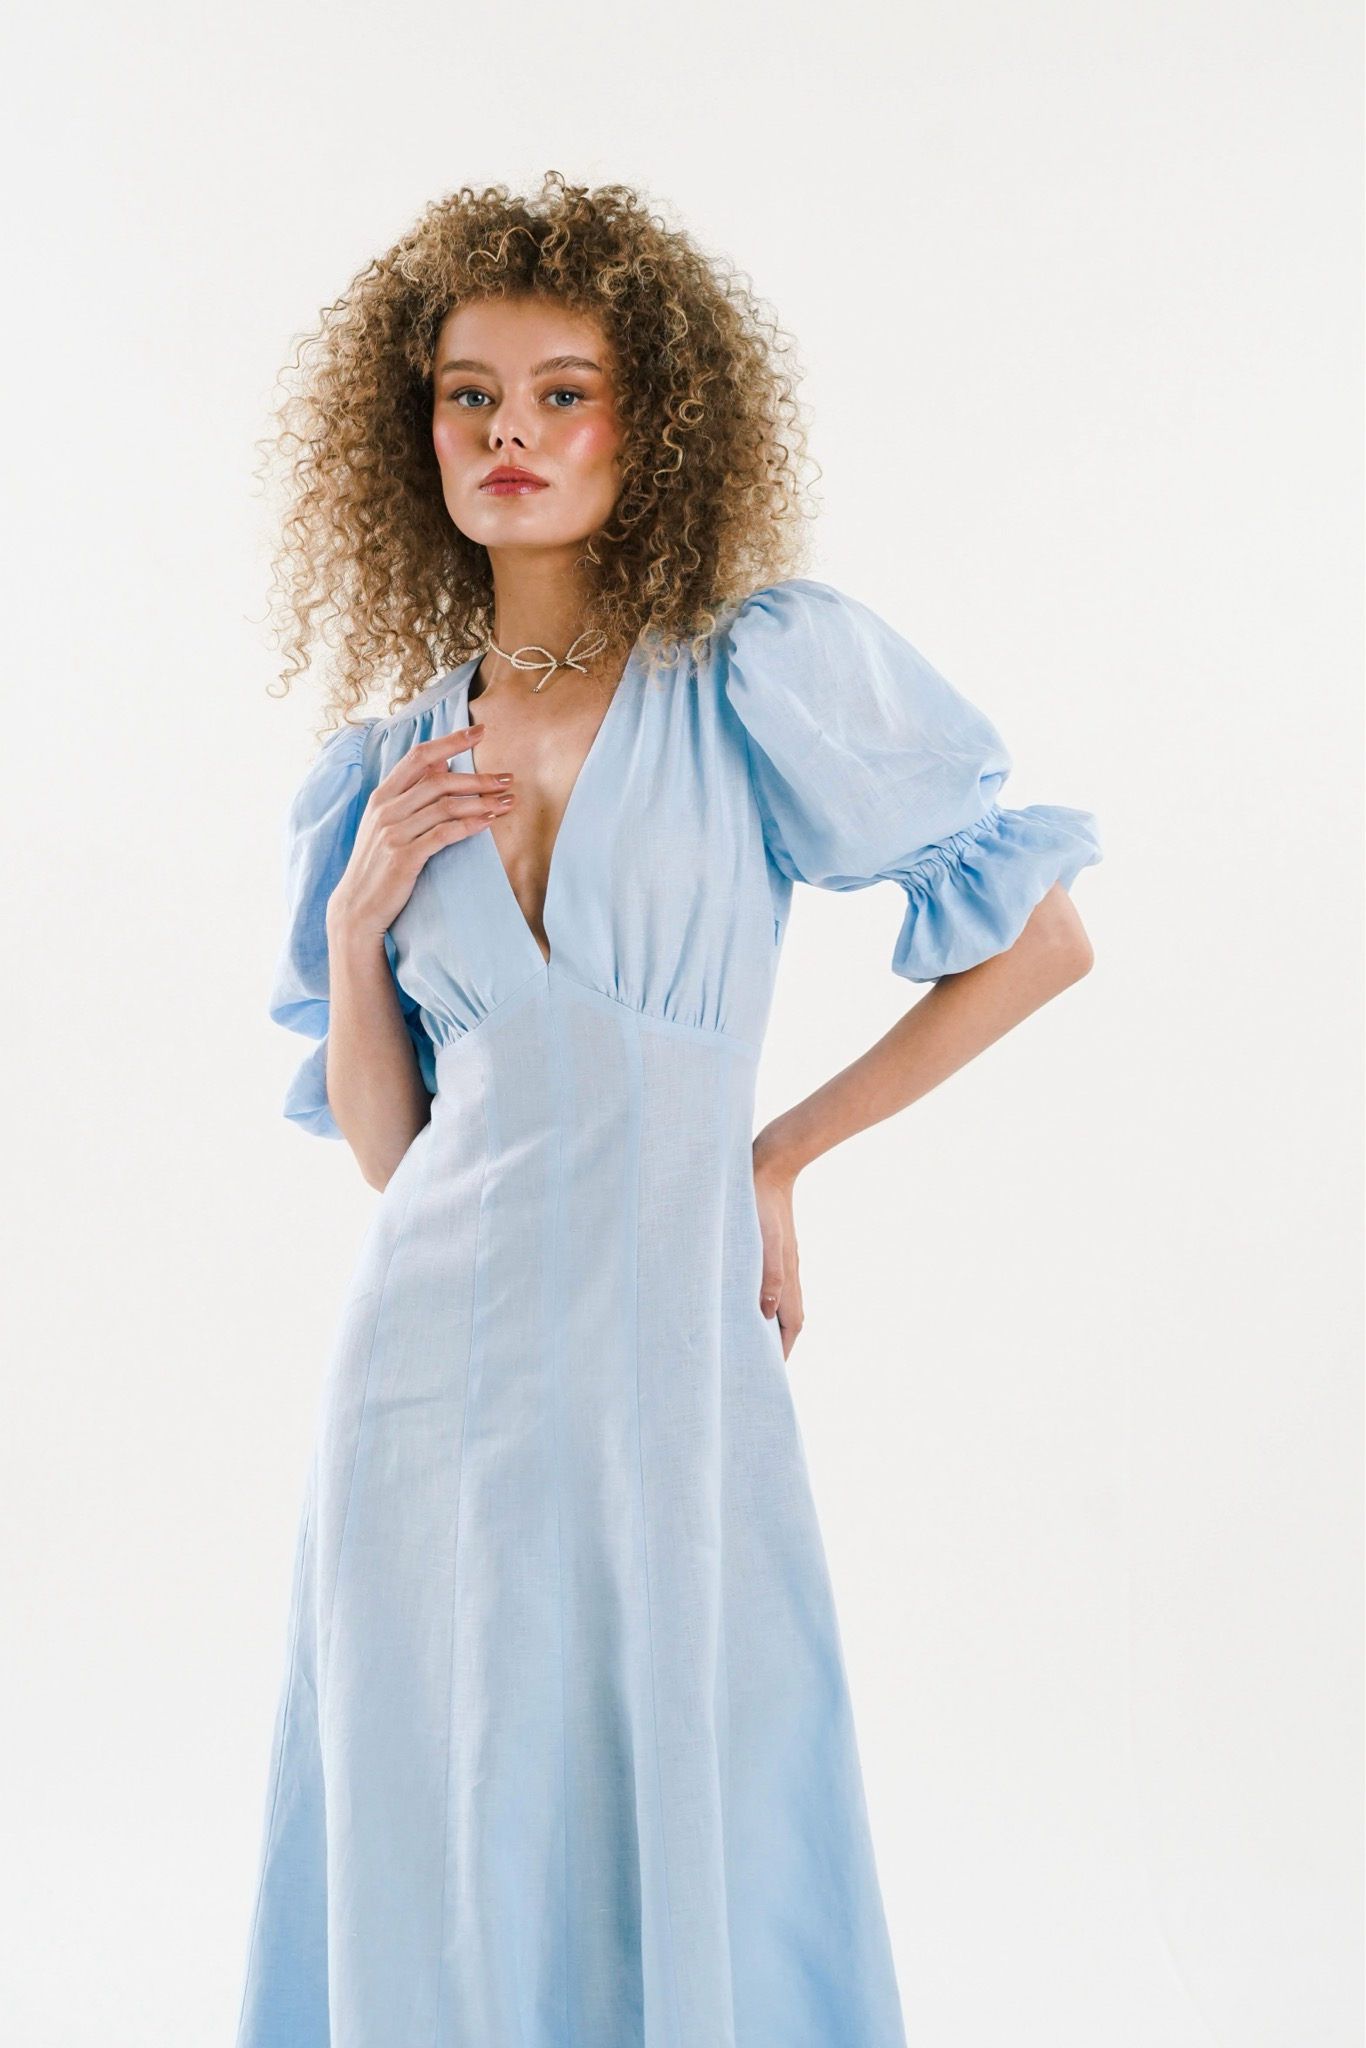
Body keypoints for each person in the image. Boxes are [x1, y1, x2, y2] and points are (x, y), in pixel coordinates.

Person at [235, 172, 1102, 2048]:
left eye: (565, 393)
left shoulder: (751, 681)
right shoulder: (388, 765)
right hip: (424, 1381)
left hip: (664, 1353)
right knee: (441, 1792)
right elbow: (398, 1161)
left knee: (707, 1764)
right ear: (414, 435)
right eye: (469, 395)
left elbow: (1039, 941)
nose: (512, 434)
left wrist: (776, 1154)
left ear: (654, 425)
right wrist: (361, 914)